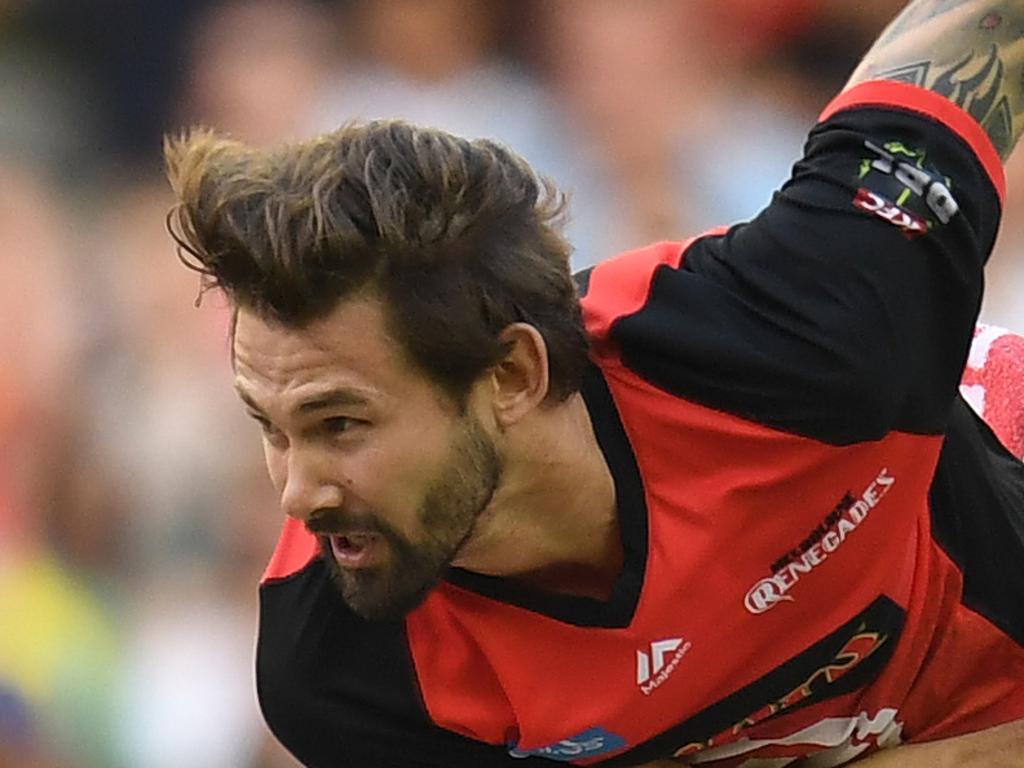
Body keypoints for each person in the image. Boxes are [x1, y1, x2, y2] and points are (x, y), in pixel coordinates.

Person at [163, 0, 1024, 765]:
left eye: (340, 424)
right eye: (269, 428)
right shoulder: (341, 673)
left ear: (512, 374)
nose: (296, 492)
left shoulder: (804, 323)